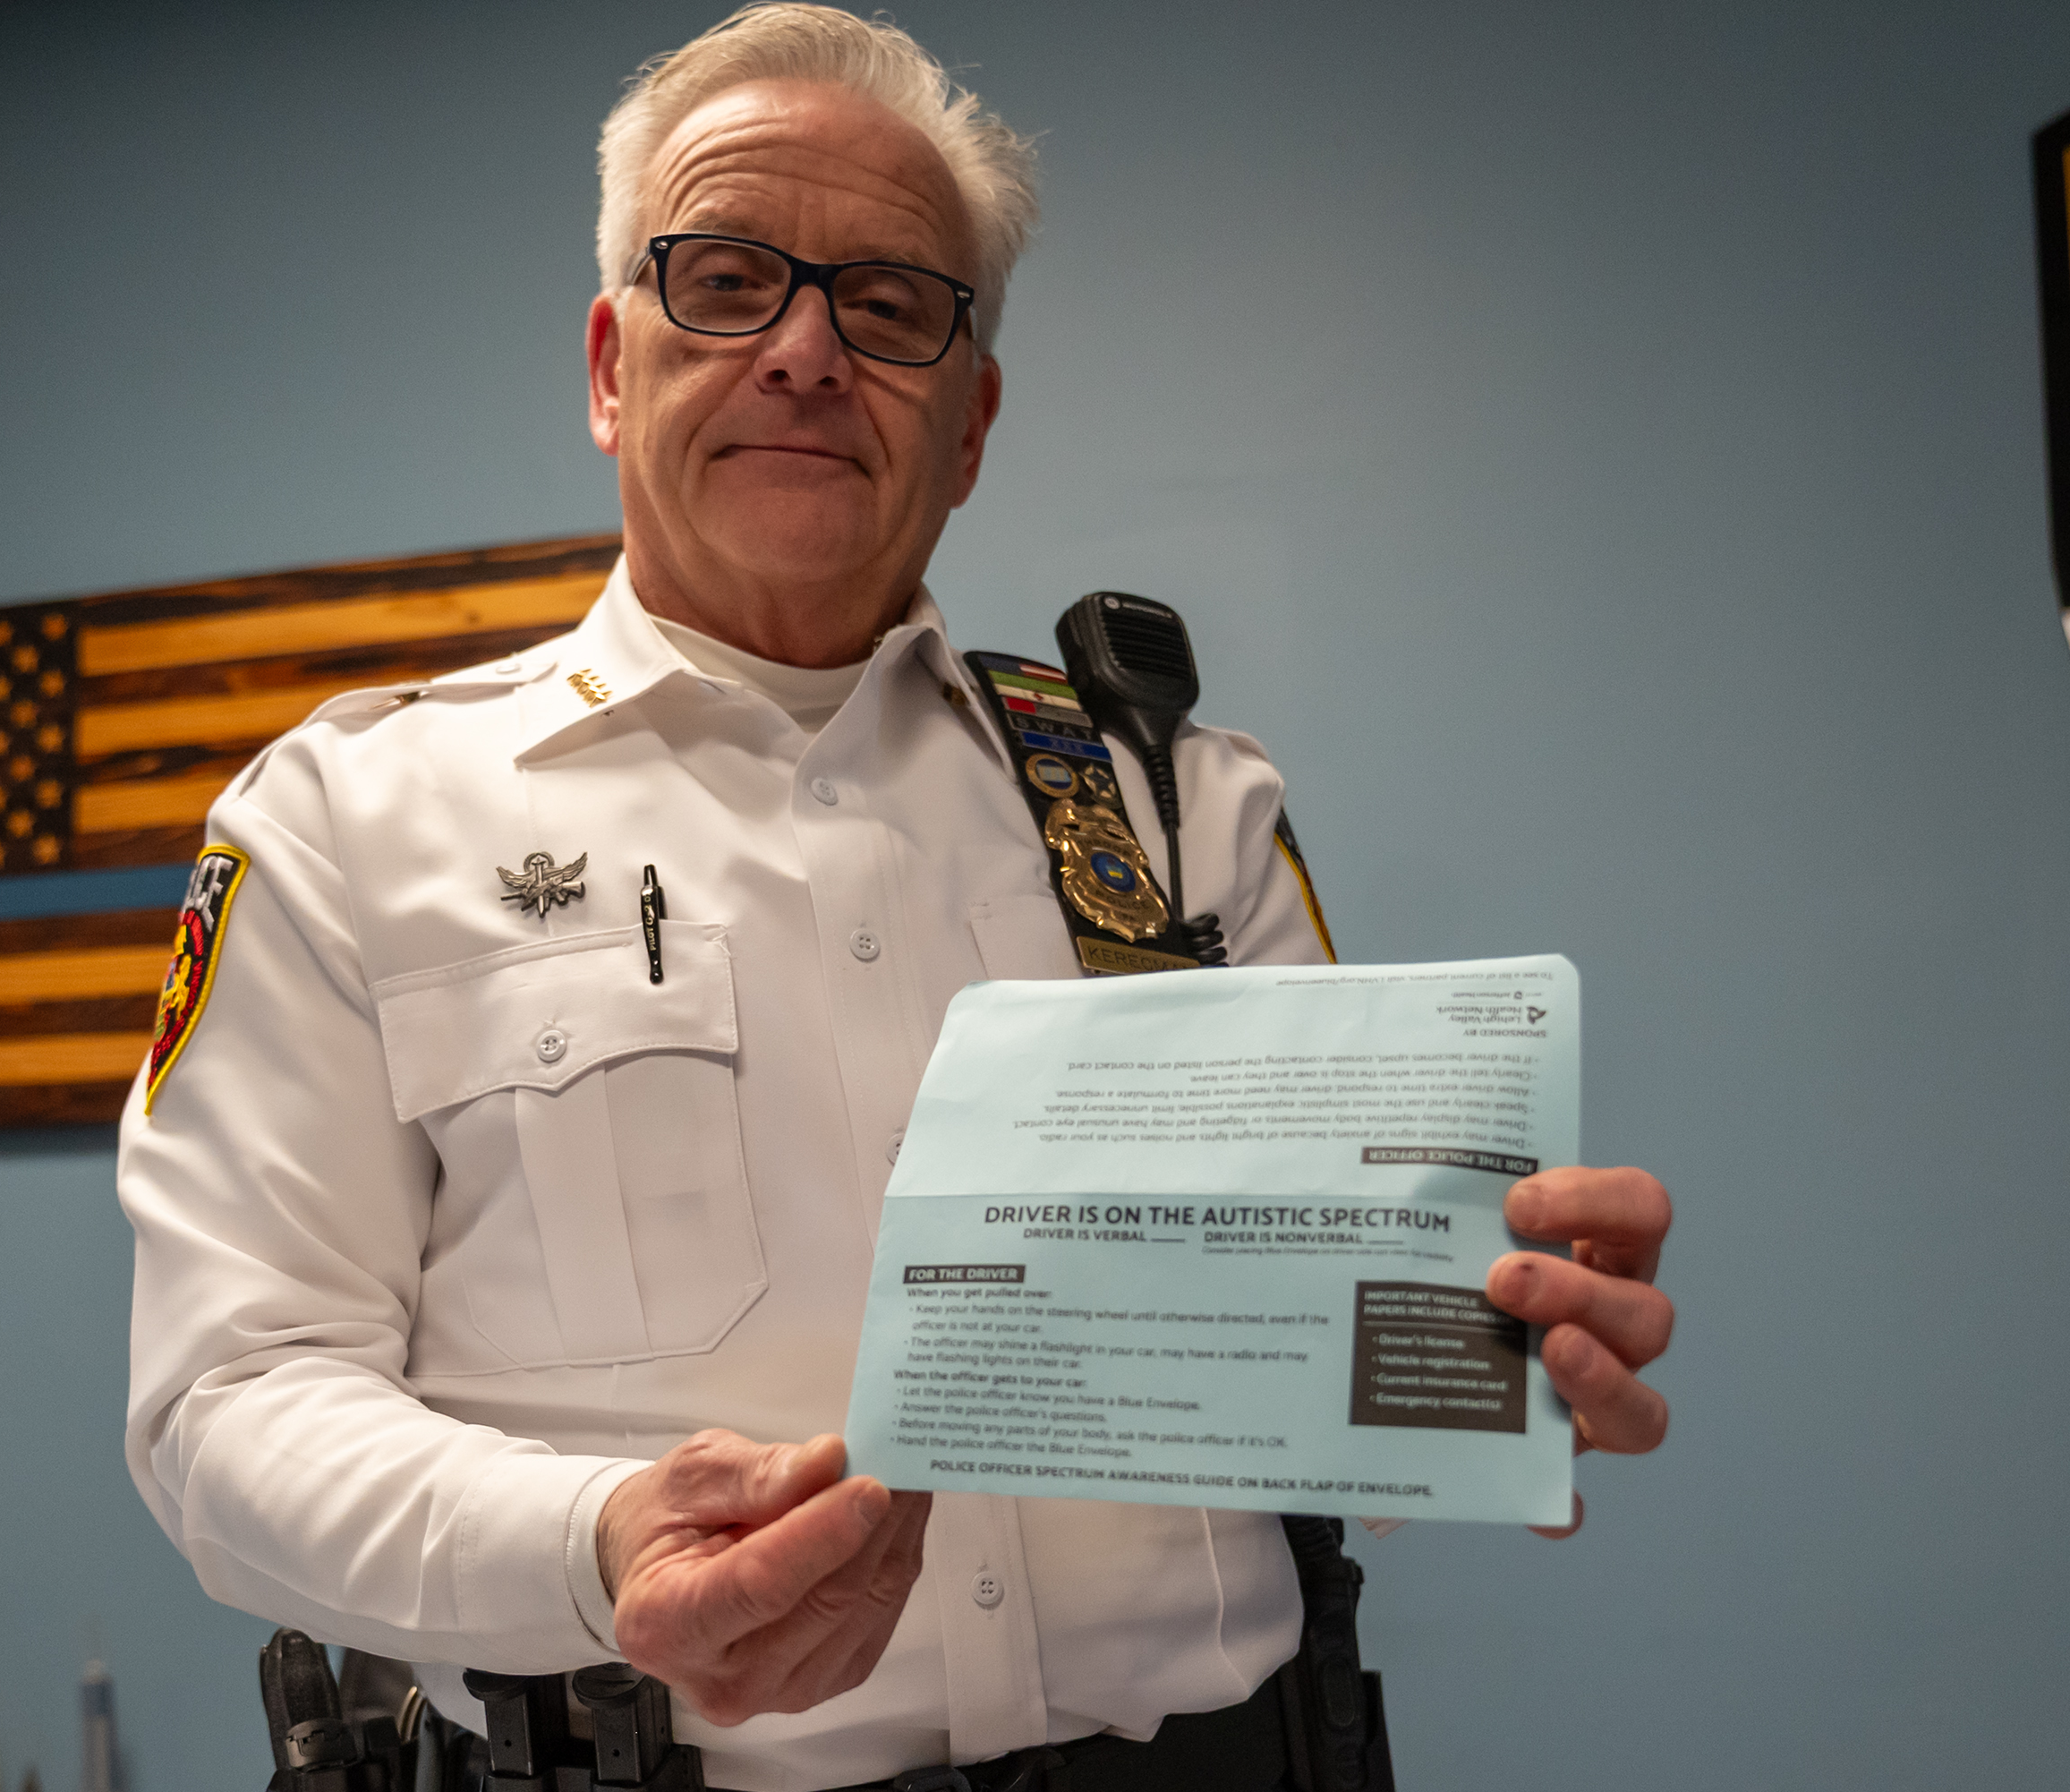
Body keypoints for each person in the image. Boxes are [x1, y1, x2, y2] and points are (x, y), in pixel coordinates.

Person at [118, 8, 1674, 1788]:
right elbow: (228, 1407)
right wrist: (594, 1541)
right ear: (613, 366)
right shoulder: (349, 819)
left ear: (972, 419)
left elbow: (1331, 1338)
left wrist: (1500, 1344)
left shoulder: (1169, 803)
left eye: (888, 302)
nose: (804, 351)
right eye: (727, 281)